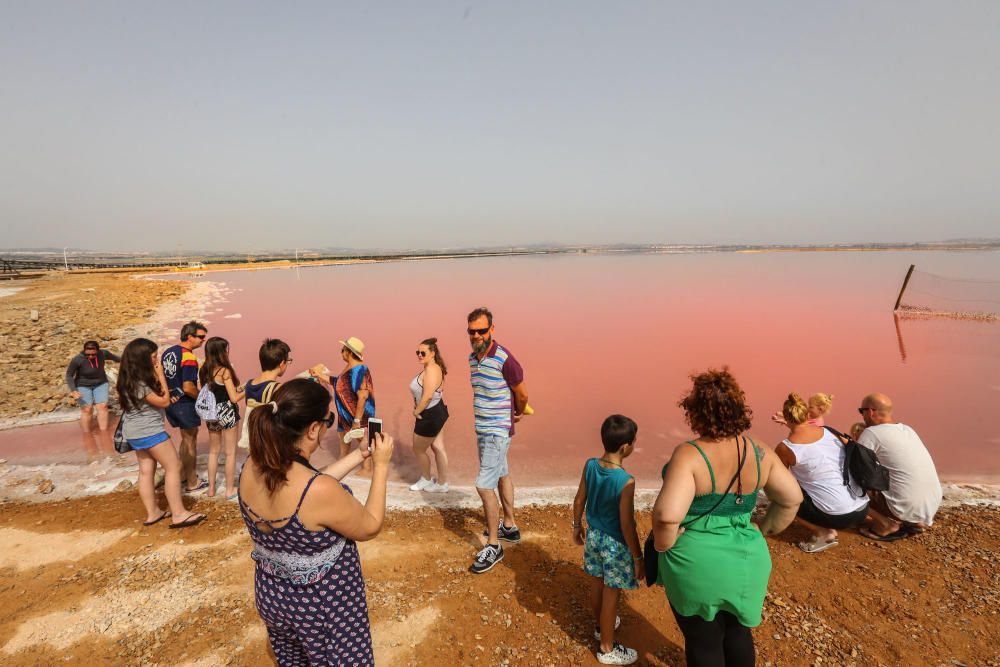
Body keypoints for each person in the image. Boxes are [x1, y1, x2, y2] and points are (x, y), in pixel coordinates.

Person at [238, 378, 394, 665]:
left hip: (273, 595)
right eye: (327, 420)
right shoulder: (317, 491)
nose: (325, 428)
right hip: (322, 606)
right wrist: (381, 466)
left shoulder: (253, 464)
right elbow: (370, 525)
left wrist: (360, 455)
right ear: (312, 429)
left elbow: (309, 488)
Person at [652, 368, 802, 667]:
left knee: (703, 643)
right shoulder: (758, 450)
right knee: (738, 634)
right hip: (748, 560)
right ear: (738, 411)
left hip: (697, 563)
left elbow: (668, 516)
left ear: (695, 414)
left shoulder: (690, 454)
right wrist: (763, 529)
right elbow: (792, 498)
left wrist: (662, 546)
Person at [572, 415, 644, 665]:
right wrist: (637, 557)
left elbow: (579, 499)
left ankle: (599, 626)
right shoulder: (626, 481)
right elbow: (626, 525)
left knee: (596, 583)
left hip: (593, 536)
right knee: (611, 593)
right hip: (614, 544)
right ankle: (606, 647)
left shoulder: (590, 465)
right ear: (625, 447)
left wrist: (576, 526)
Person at [117, 338, 206, 529]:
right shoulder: (140, 383)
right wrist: (161, 375)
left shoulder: (127, 379)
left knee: (146, 471)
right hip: (150, 431)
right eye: (153, 356)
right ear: (142, 359)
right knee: (173, 467)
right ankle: (179, 513)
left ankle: (153, 513)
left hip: (133, 432)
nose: (156, 359)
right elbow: (164, 401)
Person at [467, 307, 528, 574]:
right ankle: (509, 527)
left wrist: (516, 411)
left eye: (482, 330)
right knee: (502, 474)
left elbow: (522, 394)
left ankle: (494, 544)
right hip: (483, 428)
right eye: (472, 331)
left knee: (483, 485)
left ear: (492, 329)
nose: (477, 335)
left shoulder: (505, 358)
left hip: (496, 431)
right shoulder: (472, 358)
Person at [774, 393, 869, 553]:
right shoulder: (830, 432)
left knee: (785, 498)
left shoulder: (786, 448)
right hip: (863, 508)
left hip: (838, 516)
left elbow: (780, 481)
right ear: (806, 414)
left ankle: (824, 532)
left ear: (787, 417)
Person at [856, 393, 942, 541]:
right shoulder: (908, 430)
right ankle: (914, 522)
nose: (862, 416)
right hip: (931, 504)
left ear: (870, 411)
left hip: (903, 506)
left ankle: (885, 524)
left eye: (861, 411)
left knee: (848, 487)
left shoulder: (871, 433)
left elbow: (857, 468)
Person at [311, 336, 375, 468]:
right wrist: (319, 375)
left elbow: (363, 396)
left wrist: (357, 421)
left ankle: (368, 472)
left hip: (358, 417)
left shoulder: (361, 370)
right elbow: (338, 383)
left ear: (350, 352)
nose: (341, 352)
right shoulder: (348, 368)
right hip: (344, 415)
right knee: (344, 449)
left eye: (343, 350)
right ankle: (341, 471)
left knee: (365, 447)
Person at [162, 321, 208, 493]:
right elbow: (189, 387)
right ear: (190, 337)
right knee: (190, 441)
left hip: (171, 402)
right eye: (201, 337)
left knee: (184, 438)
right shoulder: (188, 357)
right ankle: (192, 481)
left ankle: (181, 475)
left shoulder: (168, 352)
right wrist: (203, 400)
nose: (203, 341)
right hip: (184, 403)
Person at [199, 336, 245, 499]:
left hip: (211, 413)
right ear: (221, 352)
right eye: (226, 349)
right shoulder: (224, 371)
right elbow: (233, 398)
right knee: (230, 453)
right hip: (227, 411)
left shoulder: (203, 370)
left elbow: (209, 391)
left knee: (213, 452)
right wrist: (249, 389)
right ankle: (230, 489)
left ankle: (211, 489)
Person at [409, 337, 450, 493]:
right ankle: (442, 484)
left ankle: (426, 479)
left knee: (418, 449)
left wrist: (416, 411)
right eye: (417, 352)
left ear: (432, 353)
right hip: (436, 411)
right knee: (438, 447)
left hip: (430, 414)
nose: (419, 355)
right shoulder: (430, 367)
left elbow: (427, 397)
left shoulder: (432, 370)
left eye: (423, 352)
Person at [65, 340, 120, 452]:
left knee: (103, 407)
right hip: (82, 385)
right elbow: (69, 375)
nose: (90, 356)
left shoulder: (103, 354)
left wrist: (131, 359)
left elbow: (116, 358)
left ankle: (104, 434)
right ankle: (87, 435)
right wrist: (74, 390)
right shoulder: (77, 359)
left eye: (93, 354)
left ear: (98, 351)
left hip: (101, 383)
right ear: (84, 351)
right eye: (88, 354)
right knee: (87, 409)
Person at [239, 338, 292, 450]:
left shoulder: (249, 384)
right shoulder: (277, 388)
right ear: (282, 364)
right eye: (288, 361)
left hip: (254, 438)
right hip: (269, 442)